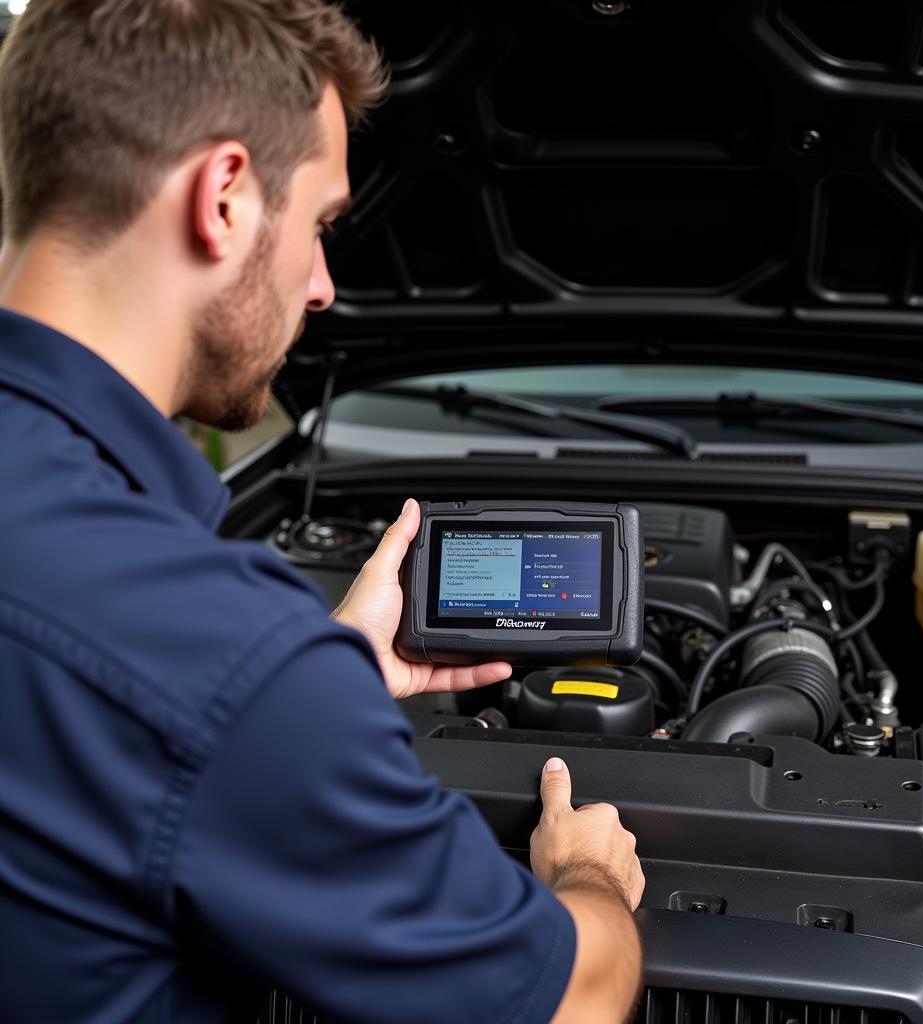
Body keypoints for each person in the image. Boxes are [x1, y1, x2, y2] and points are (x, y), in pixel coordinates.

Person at [0, 2, 645, 1022]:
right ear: (222, 197)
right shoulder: (224, 659)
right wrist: (590, 877)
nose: (326, 287)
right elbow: (573, 1000)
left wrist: (312, 674)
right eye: (321, 226)